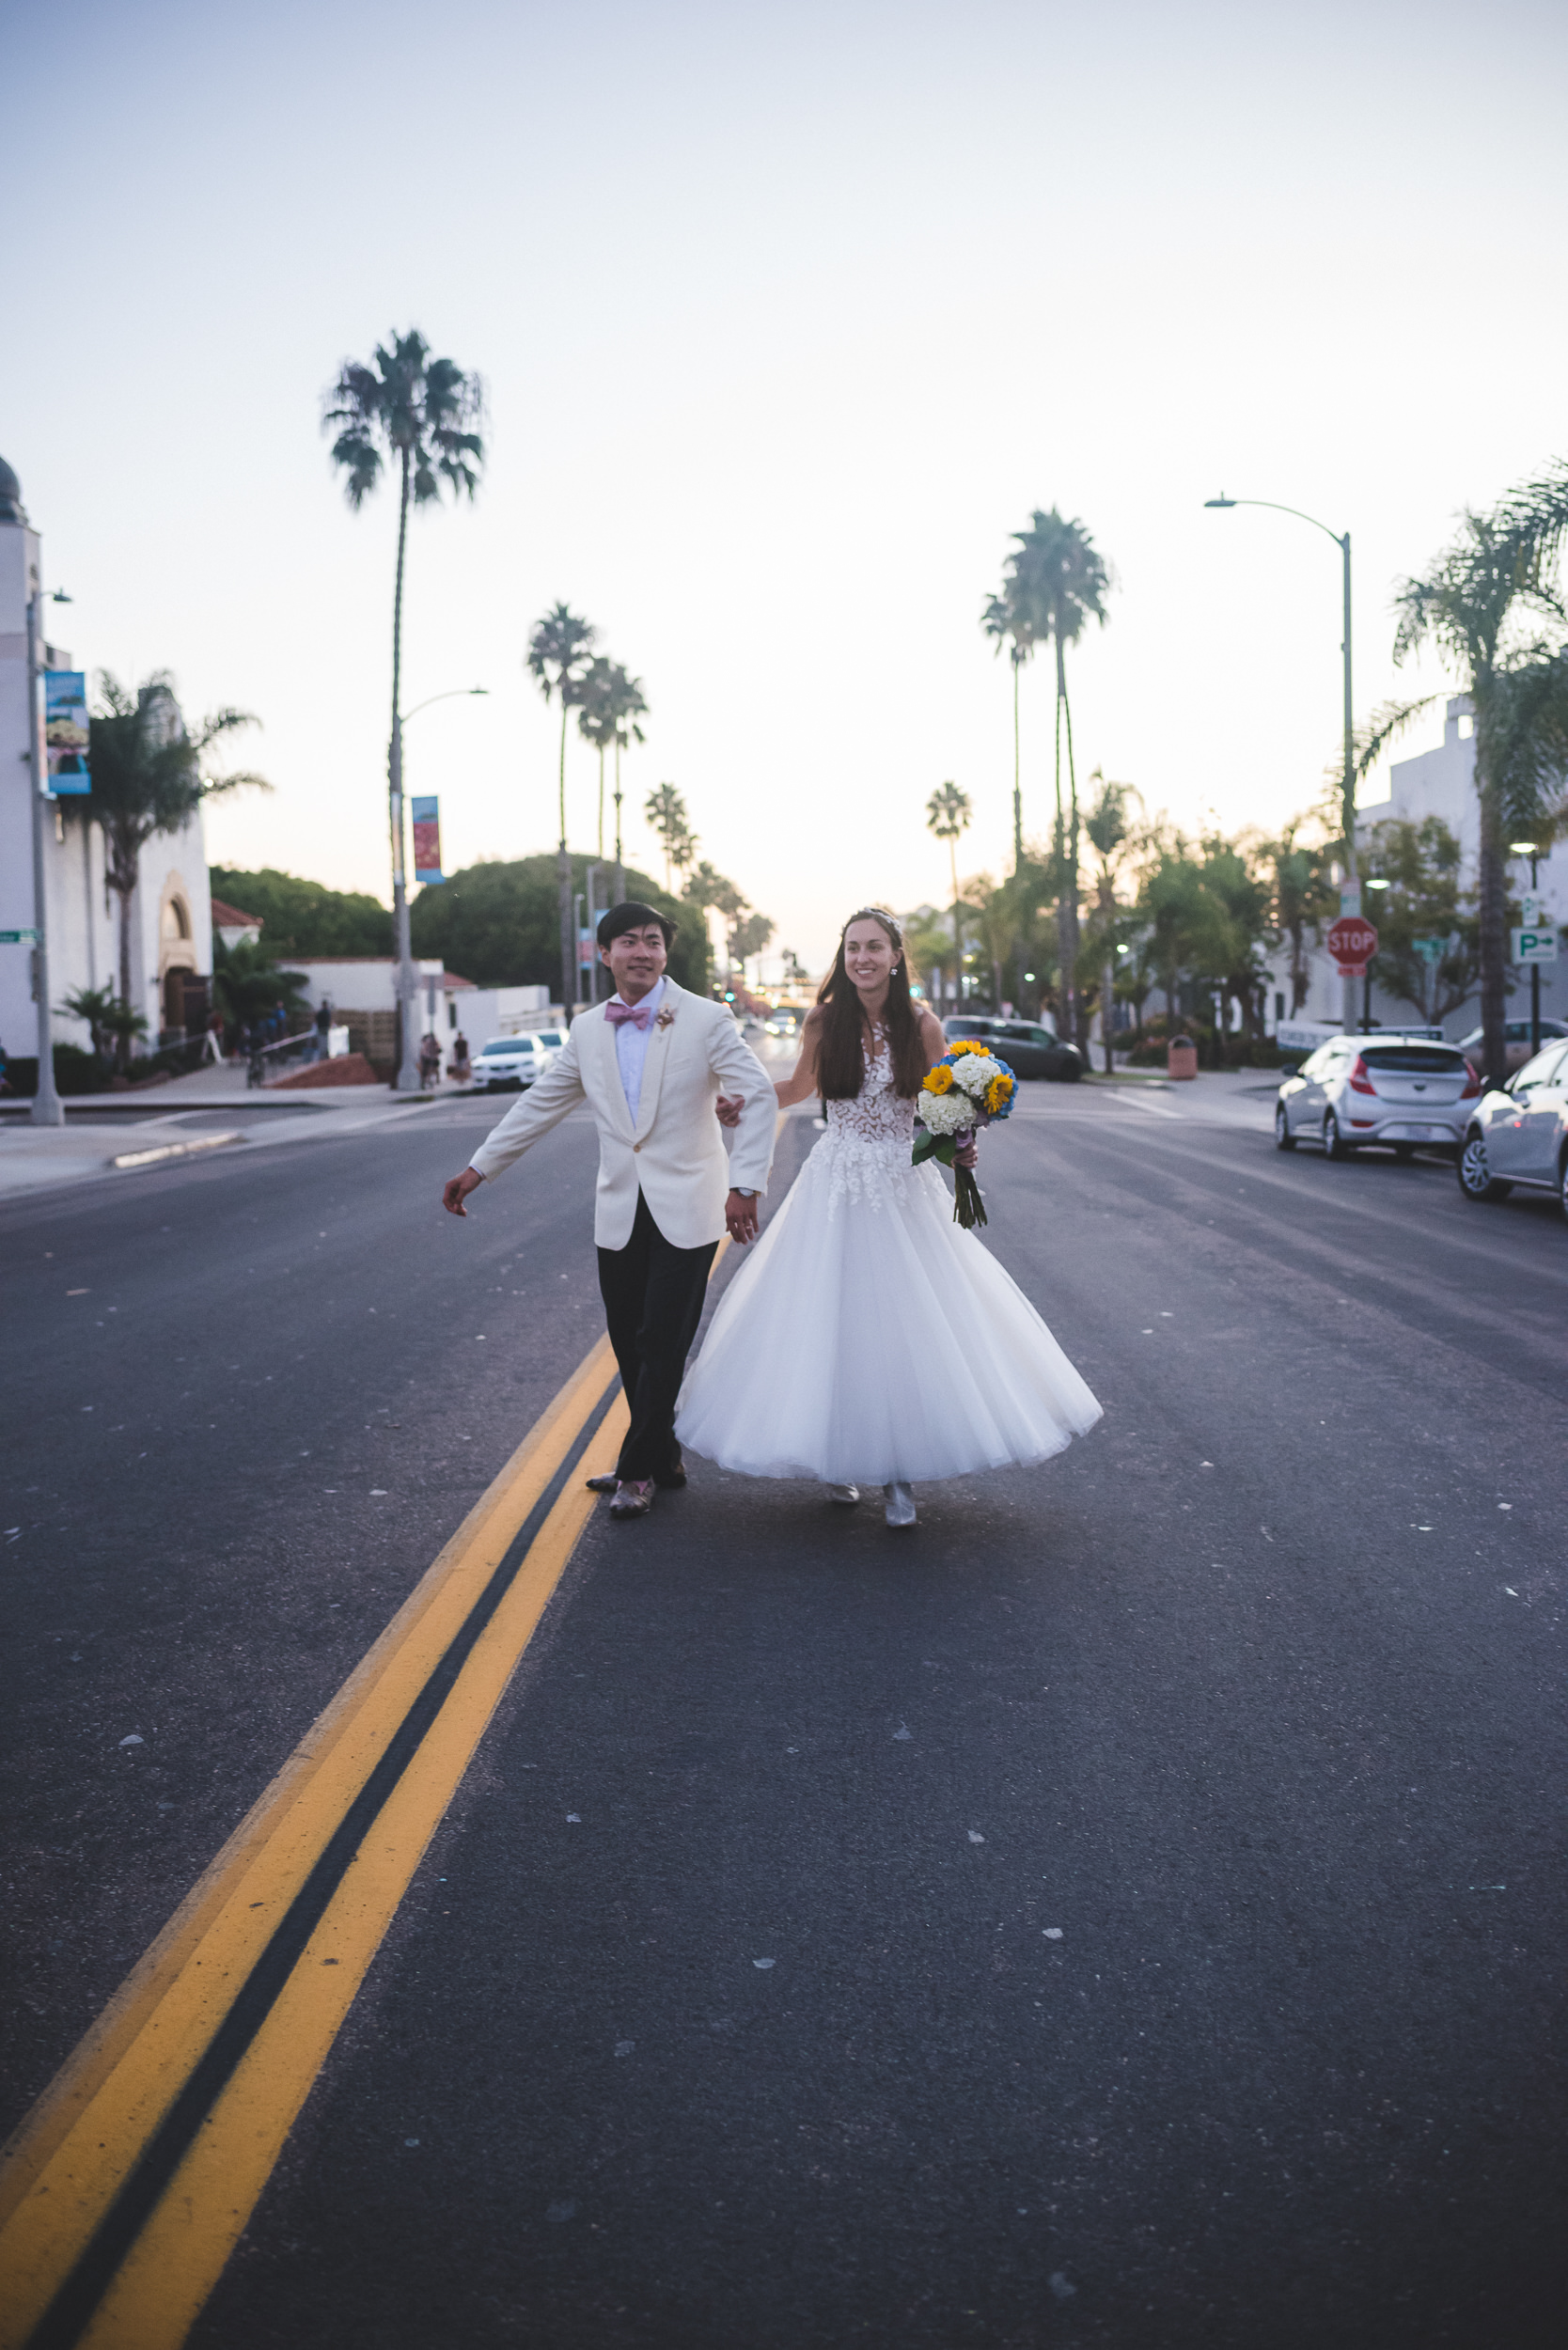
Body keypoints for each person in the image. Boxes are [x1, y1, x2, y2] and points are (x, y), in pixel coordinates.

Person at [676, 907, 1102, 1528]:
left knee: (903, 1321)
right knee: (833, 1317)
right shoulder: (824, 1020)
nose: (863, 959)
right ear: (843, 957)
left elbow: (939, 1103)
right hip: (836, 1179)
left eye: (875, 948)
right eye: (853, 949)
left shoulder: (923, 1026)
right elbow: (801, 1086)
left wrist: (961, 1142)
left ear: (897, 956)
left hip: (902, 1181)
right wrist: (746, 1101)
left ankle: (899, 1475)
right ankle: (838, 1457)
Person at [442, 902, 776, 1519]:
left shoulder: (706, 1019)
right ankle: (665, 1454)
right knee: (629, 1340)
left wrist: (745, 1185)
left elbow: (755, 1094)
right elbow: (538, 1103)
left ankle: (635, 1471)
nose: (642, 951)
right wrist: (478, 1168)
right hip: (619, 1209)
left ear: (665, 954)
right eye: (629, 942)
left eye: (653, 941)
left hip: (691, 1206)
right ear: (605, 954)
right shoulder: (589, 1030)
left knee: (661, 1338)